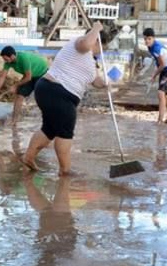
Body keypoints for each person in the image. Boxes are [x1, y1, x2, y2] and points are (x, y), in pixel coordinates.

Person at [21, 21, 109, 175]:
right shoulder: (80, 44)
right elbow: (87, 44)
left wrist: (106, 84)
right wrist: (96, 28)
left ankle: (29, 157)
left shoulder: (89, 59)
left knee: (49, 129)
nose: (101, 52)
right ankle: (65, 171)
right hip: (58, 91)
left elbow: (95, 80)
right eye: (102, 48)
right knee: (65, 132)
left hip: (51, 91)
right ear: (98, 42)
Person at [0, 46, 49, 125]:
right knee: (19, 96)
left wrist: (15, 86)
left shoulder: (23, 58)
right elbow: (2, 77)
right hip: (30, 75)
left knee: (41, 98)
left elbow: (28, 77)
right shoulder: (8, 63)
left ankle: (48, 120)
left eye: (6, 59)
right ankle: (14, 121)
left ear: (12, 56)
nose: (5, 61)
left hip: (42, 73)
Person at [143, 27, 167, 124]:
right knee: (166, 94)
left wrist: (154, 75)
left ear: (153, 38)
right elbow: (159, 63)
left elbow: (162, 64)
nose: (147, 41)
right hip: (166, 69)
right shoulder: (150, 47)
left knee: (160, 93)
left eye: (149, 39)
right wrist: (156, 73)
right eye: (145, 39)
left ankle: (160, 120)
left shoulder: (156, 48)